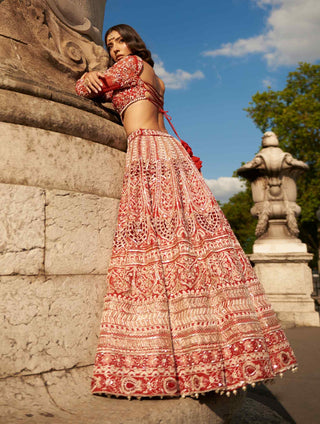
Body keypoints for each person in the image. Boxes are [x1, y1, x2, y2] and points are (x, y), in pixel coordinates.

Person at [76, 24, 297, 399]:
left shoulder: (130, 66)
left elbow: (85, 89)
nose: (114, 48)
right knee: (191, 250)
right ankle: (215, 354)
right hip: (170, 151)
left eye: (119, 41)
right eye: (109, 44)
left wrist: (86, 74)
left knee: (155, 250)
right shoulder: (157, 78)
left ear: (134, 43)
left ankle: (158, 356)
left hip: (149, 151)